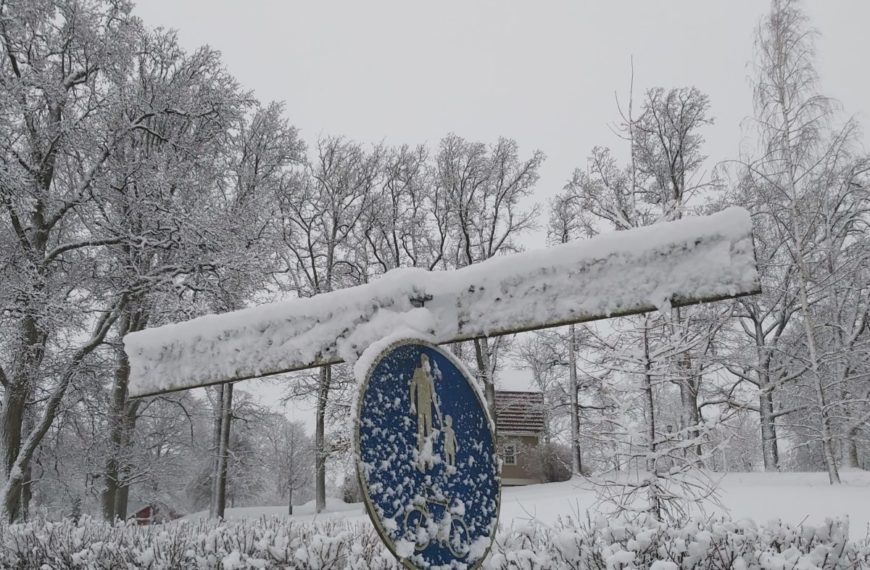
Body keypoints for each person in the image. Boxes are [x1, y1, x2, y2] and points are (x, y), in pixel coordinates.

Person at [409, 353, 442, 456]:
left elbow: (433, 394)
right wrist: (412, 403)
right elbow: (413, 387)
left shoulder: (430, 376)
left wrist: (437, 411)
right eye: (423, 360)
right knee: (421, 428)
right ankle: (421, 453)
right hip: (420, 404)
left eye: (426, 360)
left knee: (428, 428)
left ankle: (429, 453)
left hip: (428, 404)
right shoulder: (417, 372)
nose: (425, 361)